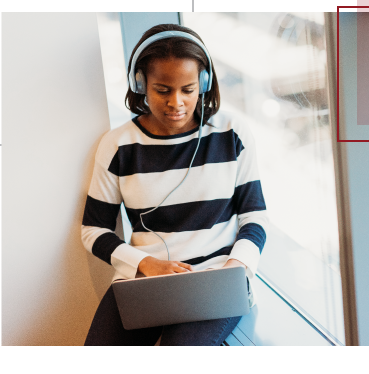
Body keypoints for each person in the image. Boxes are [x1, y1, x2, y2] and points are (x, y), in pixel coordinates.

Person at [81, 24, 268, 346]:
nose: (176, 103)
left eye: (188, 89)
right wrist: (146, 264)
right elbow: (93, 230)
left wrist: (234, 269)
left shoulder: (231, 134)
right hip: (145, 279)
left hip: (215, 277)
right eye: (163, 90)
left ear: (204, 84)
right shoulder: (117, 146)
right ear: (140, 84)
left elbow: (255, 217)